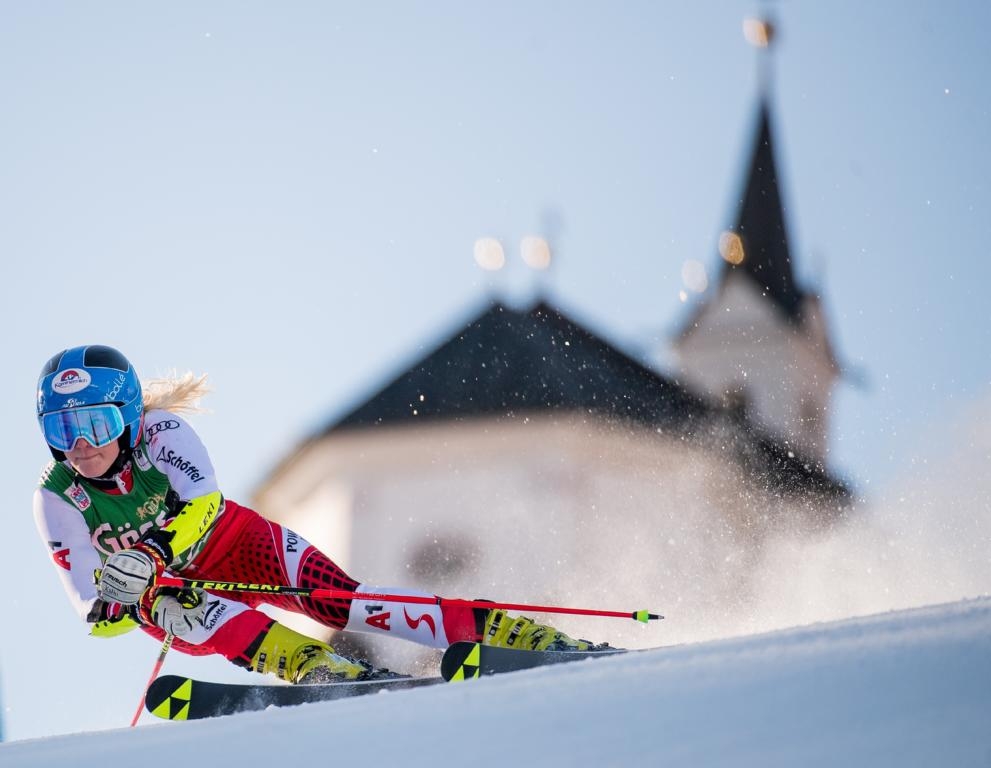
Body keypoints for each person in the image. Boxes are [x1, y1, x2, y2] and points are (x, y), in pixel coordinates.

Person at [34, 344, 599, 684]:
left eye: (96, 424)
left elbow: (204, 503)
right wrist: (128, 596)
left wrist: (152, 552)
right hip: (173, 589)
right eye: (62, 429)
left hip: (236, 542)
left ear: (130, 417)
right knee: (185, 608)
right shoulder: (56, 497)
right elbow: (94, 610)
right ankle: (318, 669)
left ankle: (510, 633)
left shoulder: (163, 431)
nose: (81, 444)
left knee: (345, 601)